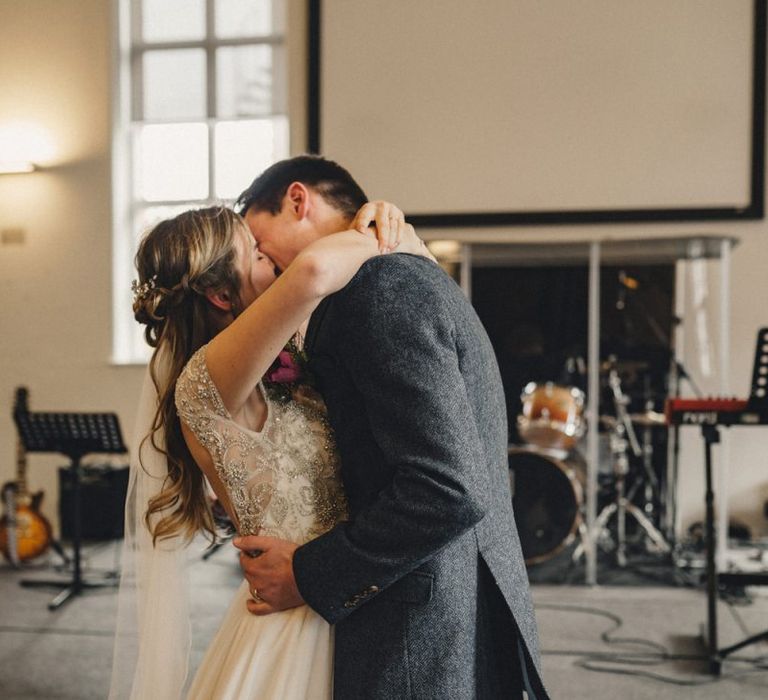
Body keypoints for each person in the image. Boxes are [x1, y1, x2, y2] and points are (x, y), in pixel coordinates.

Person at [234, 155, 550, 699]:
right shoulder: (397, 276)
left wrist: (309, 573)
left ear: (297, 199)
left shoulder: (378, 291)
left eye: (260, 243)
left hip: (418, 621)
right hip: (445, 600)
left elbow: (447, 489)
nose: (263, 263)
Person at [109, 201, 429, 699]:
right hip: (295, 616)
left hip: (338, 591)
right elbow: (316, 270)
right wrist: (395, 237)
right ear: (219, 294)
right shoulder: (204, 379)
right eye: (255, 253)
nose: (272, 260)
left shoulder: (275, 361)